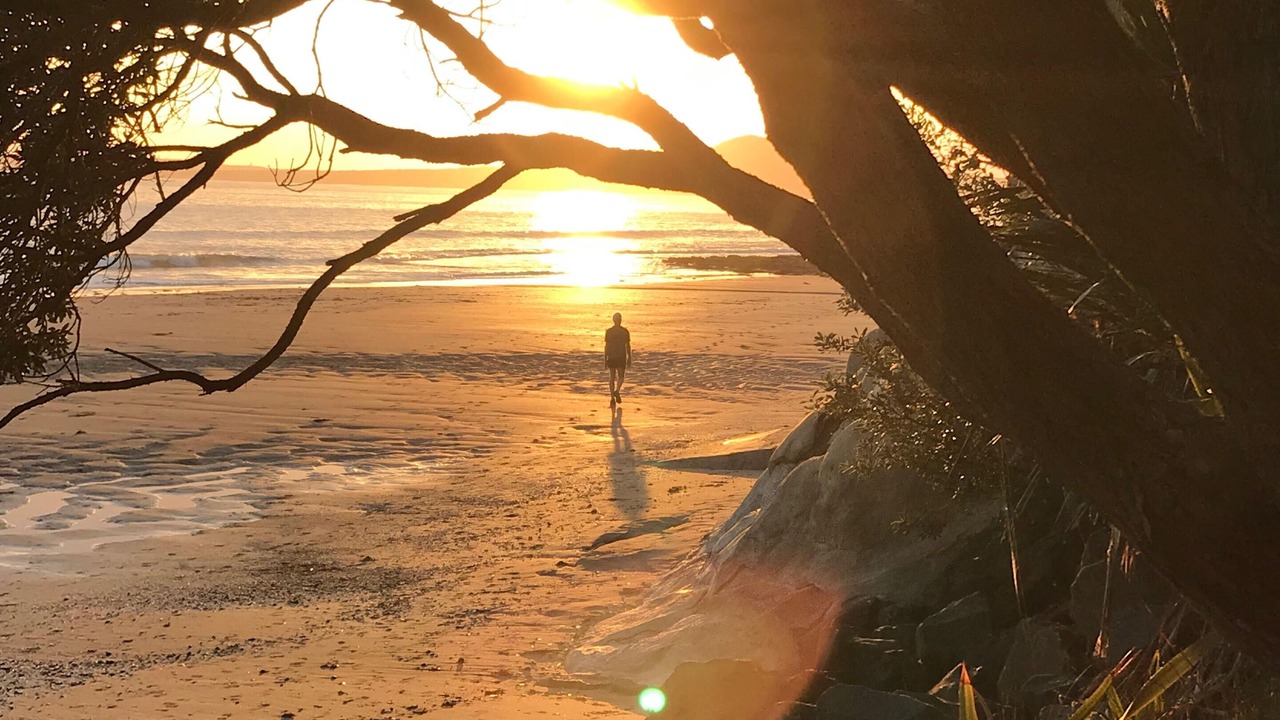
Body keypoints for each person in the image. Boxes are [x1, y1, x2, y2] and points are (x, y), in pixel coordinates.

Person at [604, 312, 631, 406]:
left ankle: (612, 398)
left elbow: (606, 346)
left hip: (611, 356)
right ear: (620, 320)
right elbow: (628, 346)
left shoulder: (609, 331)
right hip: (621, 356)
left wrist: (605, 358)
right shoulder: (624, 331)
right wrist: (629, 357)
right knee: (621, 377)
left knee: (612, 377)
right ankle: (617, 390)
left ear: (613, 320)